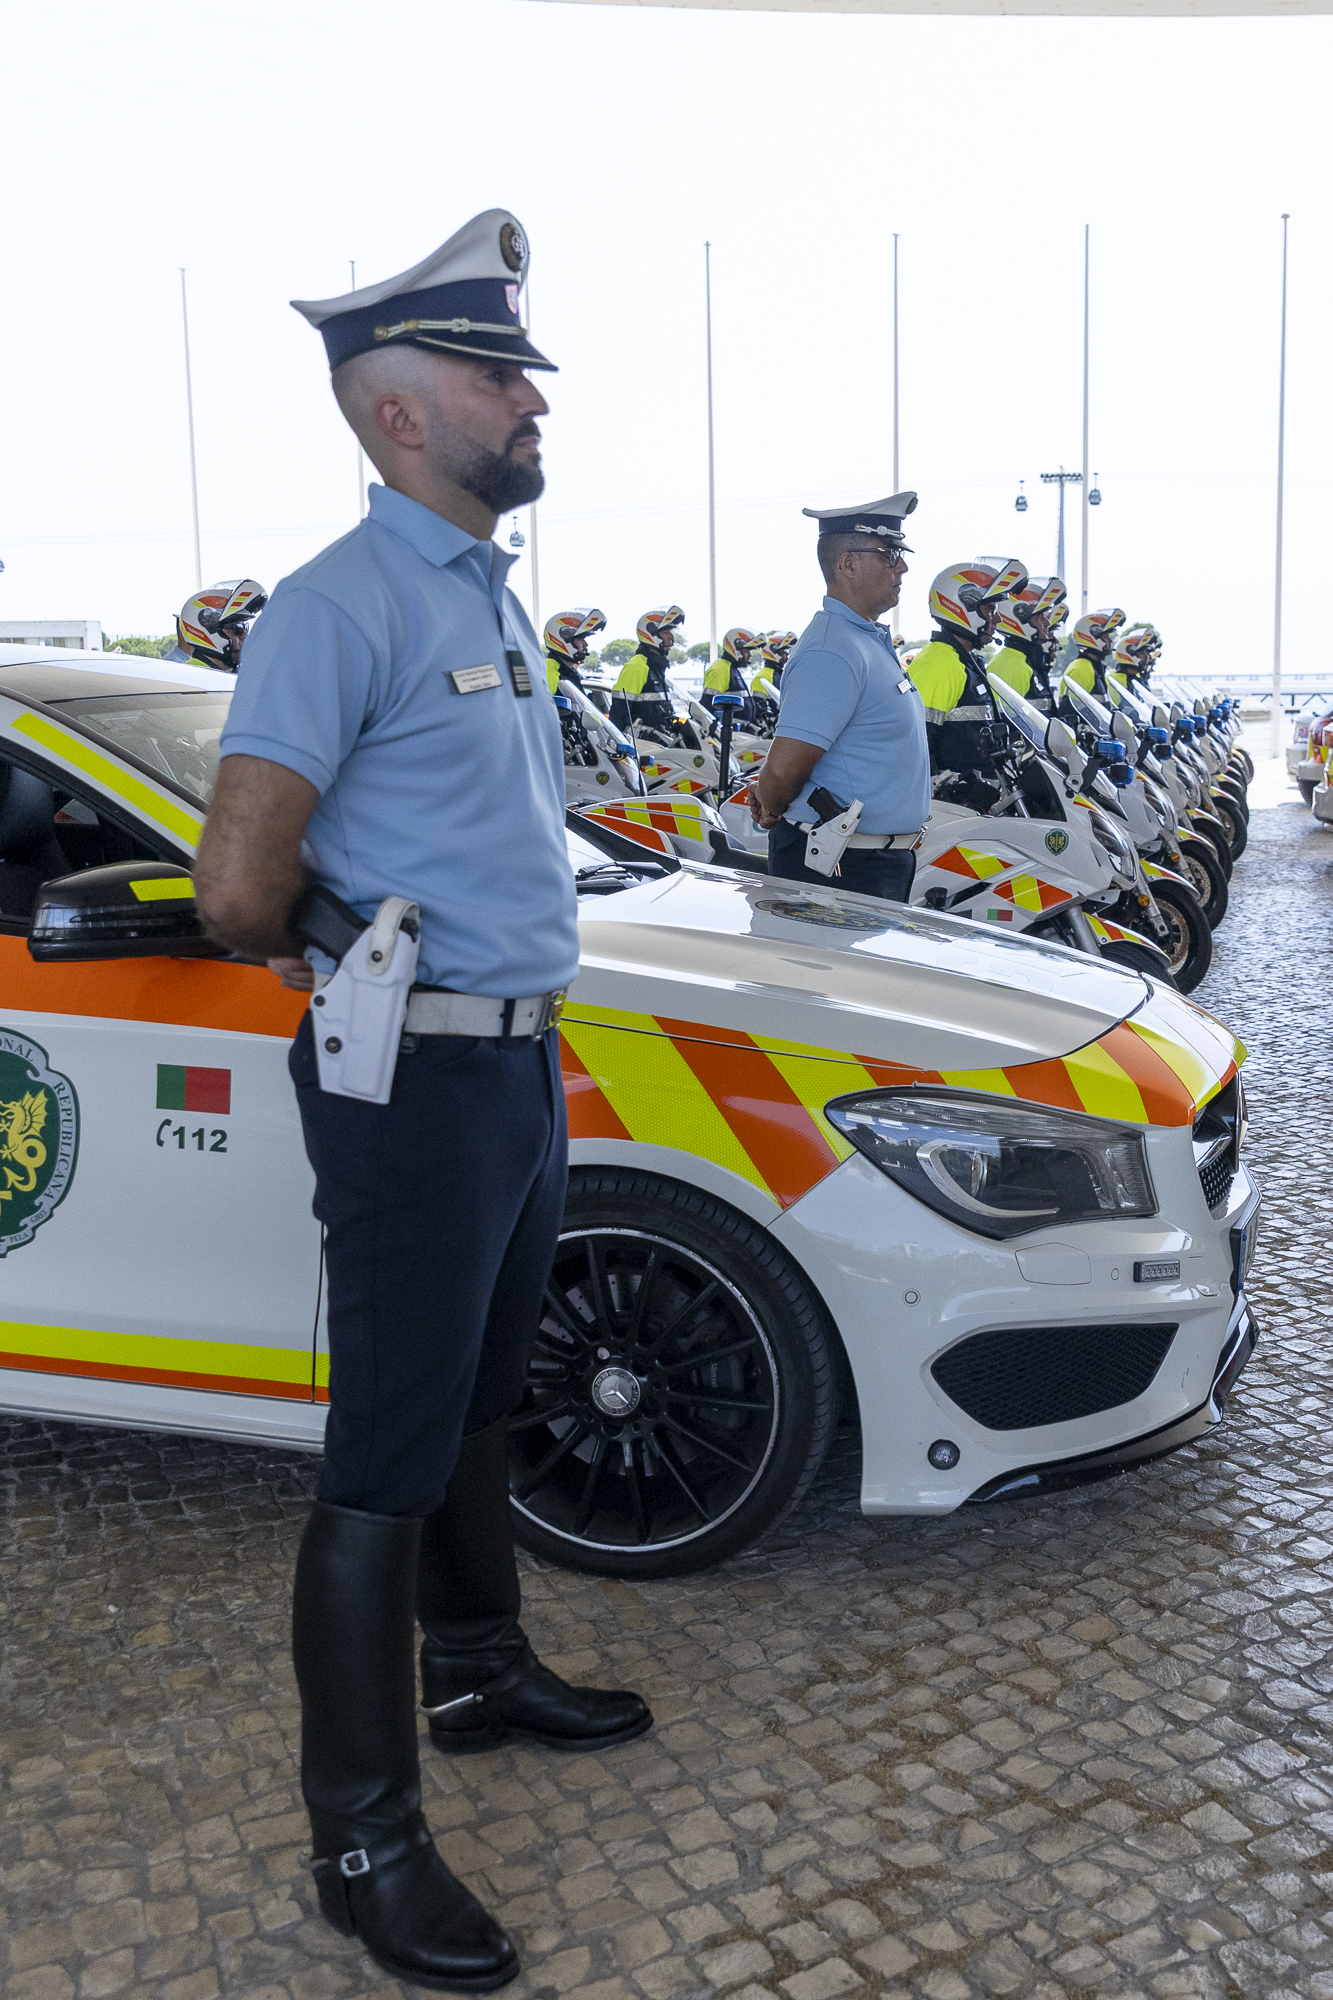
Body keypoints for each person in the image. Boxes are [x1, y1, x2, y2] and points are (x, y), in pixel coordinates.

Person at [193, 209, 650, 1995]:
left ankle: (478, 1673)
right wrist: (357, 944)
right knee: (383, 1451)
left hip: (513, 1059)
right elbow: (240, 888)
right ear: (399, 415)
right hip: (413, 1079)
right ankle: (360, 1839)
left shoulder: (479, 592)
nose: (527, 399)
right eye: (494, 373)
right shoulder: (341, 603)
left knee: (476, 1397)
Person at [749, 493, 929, 901]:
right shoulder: (833, 648)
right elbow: (782, 773)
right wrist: (772, 798)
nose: (902, 566)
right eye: (889, 553)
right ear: (848, 563)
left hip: (869, 863)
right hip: (841, 868)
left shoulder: (862, 639)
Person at [907, 559, 1029, 813]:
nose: (996, 619)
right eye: (990, 609)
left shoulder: (963, 660)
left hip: (979, 806)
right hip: (954, 811)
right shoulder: (939, 662)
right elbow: (914, 746)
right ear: (966, 606)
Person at [989, 576, 1067, 714]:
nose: (1047, 623)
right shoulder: (1012, 666)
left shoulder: (1024, 661)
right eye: (1040, 617)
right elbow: (1006, 722)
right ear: (1019, 618)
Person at [609, 605, 684, 728]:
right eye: (665, 632)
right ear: (651, 634)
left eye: (670, 632)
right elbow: (619, 713)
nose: (671, 637)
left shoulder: (656, 667)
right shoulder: (637, 666)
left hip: (658, 741)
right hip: (642, 743)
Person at [169, 579, 268, 670]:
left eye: (245, 627)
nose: (245, 635)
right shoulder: (192, 677)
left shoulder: (231, 674)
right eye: (238, 629)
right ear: (210, 629)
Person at [1058, 606, 1127, 709]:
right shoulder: (1081, 669)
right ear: (1093, 637)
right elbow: (1071, 712)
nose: (1110, 641)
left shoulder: (1090, 667)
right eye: (1106, 637)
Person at [702, 626, 762, 721]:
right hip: (729, 732)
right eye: (746, 651)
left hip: (739, 731)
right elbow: (708, 705)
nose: (749, 655)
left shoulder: (730, 668)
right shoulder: (720, 669)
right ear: (736, 648)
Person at [544, 606, 605, 694]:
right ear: (564, 638)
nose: (585, 644)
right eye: (580, 639)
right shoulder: (549, 670)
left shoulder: (569, 672)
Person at [750, 629, 797, 705]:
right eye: (783, 653)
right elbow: (758, 707)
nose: (787, 656)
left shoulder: (779, 674)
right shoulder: (763, 676)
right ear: (774, 652)